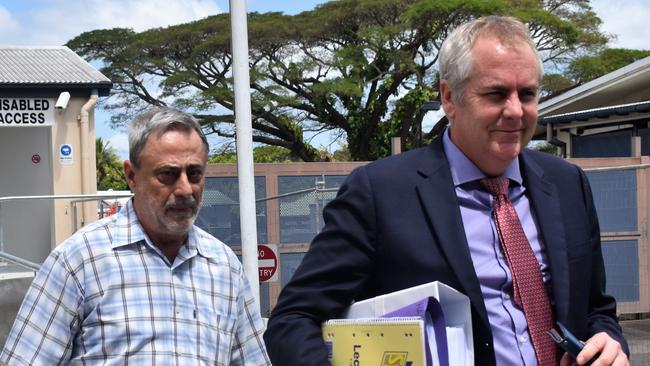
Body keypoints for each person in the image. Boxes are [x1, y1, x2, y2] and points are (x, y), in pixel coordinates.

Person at [264, 16, 629, 366]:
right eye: (496, 94)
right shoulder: (381, 194)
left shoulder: (568, 184)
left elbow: (596, 310)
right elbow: (293, 321)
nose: (516, 111)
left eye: (528, 94)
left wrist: (609, 343)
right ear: (449, 98)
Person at [1, 107, 271, 365]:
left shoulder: (224, 268)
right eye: (168, 174)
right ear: (132, 175)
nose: (185, 189)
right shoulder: (79, 261)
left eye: (195, 173)